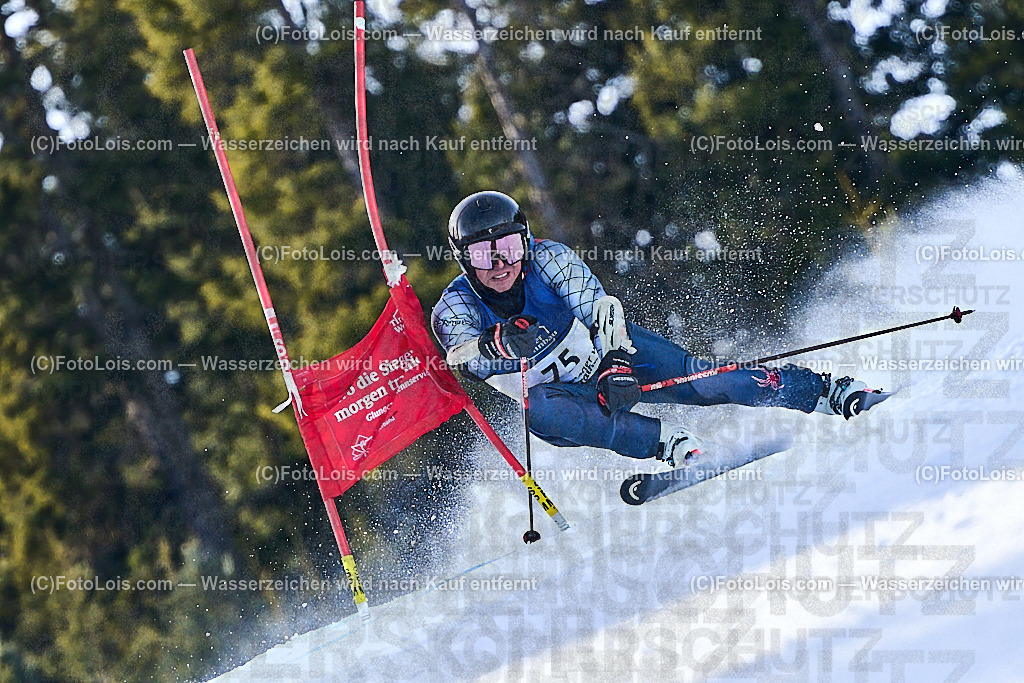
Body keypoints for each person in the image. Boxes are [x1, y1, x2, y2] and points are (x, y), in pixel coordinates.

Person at [431, 191, 886, 466]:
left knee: (713, 381)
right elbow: (458, 356)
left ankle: (827, 392)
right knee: (541, 412)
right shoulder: (455, 305)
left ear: (525, 242)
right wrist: (496, 341)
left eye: (509, 247)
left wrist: (614, 362)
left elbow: (602, 307)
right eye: (481, 254)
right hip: (573, 404)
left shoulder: (548, 259)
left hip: (616, 359)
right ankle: (671, 445)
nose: (499, 264)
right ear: (462, 258)